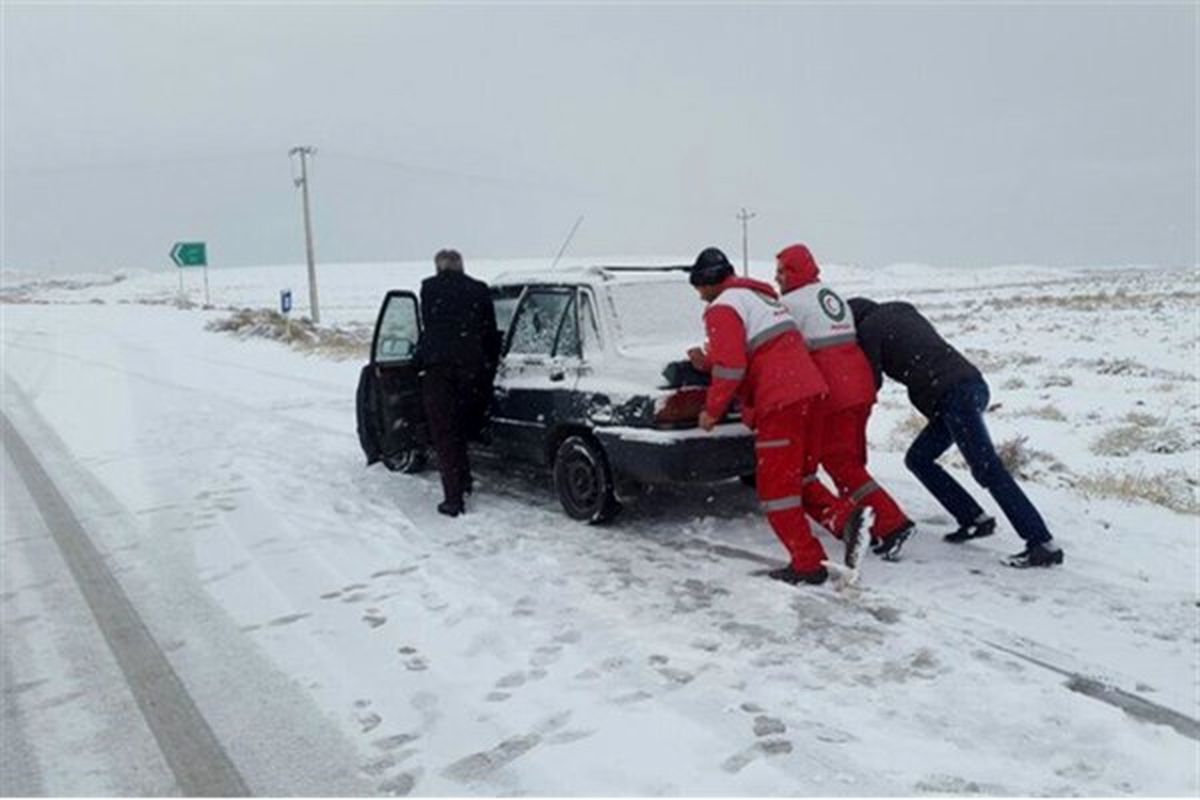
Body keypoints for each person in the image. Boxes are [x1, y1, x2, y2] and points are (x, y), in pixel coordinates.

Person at [687, 247, 866, 586]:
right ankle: (847, 521)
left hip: (779, 401)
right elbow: (756, 350)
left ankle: (807, 564)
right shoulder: (759, 298)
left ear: (709, 282)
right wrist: (706, 363)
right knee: (800, 478)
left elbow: (732, 367)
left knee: (776, 490)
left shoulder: (722, 308)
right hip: (812, 392)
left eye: (698, 288)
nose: (699, 296)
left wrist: (712, 411)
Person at [848, 297, 1064, 568]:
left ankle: (1041, 542)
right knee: (919, 459)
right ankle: (973, 519)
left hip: (952, 396)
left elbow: (871, 381)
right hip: (970, 385)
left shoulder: (869, 329)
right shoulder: (901, 309)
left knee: (987, 468)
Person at [775, 244, 915, 560]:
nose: (777, 277)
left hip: (834, 392)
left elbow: (782, 346)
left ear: (796, 270)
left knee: (840, 463)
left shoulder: (791, 303)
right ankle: (865, 521)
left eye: (783, 270)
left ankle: (892, 524)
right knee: (852, 460)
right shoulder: (830, 295)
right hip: (859, 384)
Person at [417, 249, 501, 517]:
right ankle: (464, 481)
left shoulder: (429, 288)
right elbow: (490, 330)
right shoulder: (479, 290)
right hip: (472, 369)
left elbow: (428, 325)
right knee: (463, 427)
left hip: (439, 370)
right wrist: (488, 364)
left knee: (445, 434)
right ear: (462, 266)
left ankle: (453, 498)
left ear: (438, 268)